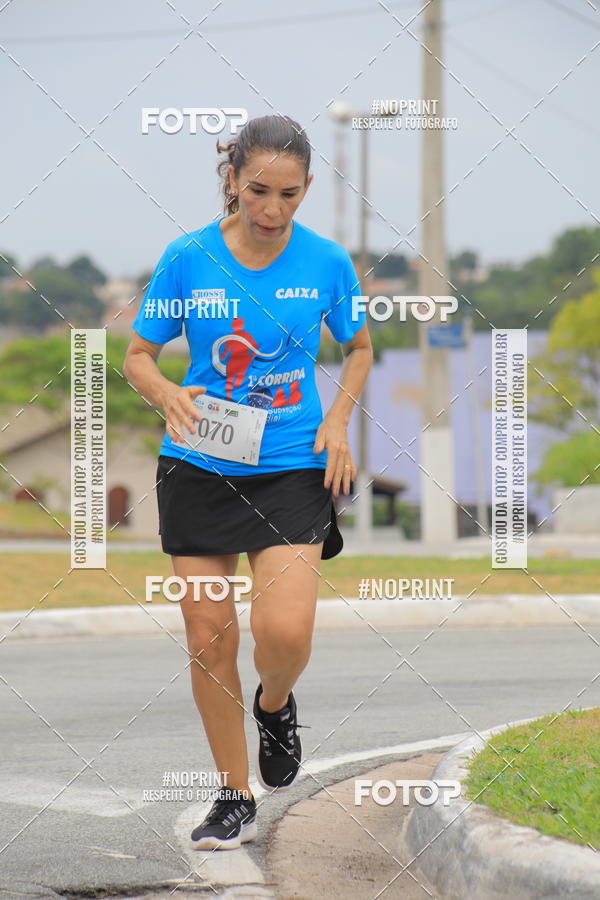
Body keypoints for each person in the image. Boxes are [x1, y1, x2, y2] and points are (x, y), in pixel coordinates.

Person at [123, 114, 372, 851]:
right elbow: (139, 355)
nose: (272, 210)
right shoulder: (189, 258)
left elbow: (357, 348)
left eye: (289, 195)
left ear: (306, 190)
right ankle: (234, 795)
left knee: (284, 631)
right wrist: (167, 394)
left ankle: (277, 701)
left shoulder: (326, 262)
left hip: (293, 461)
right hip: (198, 463)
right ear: (232, 179)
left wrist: (339, 421)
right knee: (207, 637)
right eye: (259, 191)